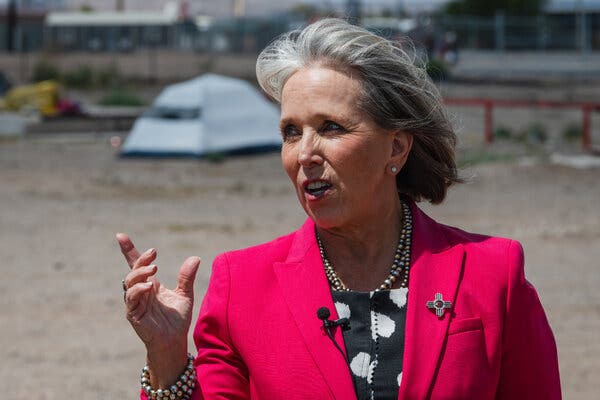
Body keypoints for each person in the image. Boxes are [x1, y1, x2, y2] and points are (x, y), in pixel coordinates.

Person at [117, 18, 561, 400]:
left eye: (330, 127)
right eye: (291, 132)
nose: (304, 153)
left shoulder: (493, 274)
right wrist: (167, 356)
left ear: (397, 147)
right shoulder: (242, 286)